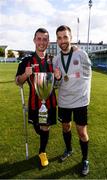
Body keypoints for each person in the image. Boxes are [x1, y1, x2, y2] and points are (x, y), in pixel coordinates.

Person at [53, 25, 92, 176]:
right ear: (57, 40)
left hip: (80, 101)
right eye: (59, 37)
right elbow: (56, 85)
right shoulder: (56, 60)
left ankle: (85, 159)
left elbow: (89, 72)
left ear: (70, 38)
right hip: (64, 101)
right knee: (65, 127)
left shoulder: (80, 54)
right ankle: (68, 149)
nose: (62, 40)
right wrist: (57, 78)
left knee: (82, 132)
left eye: (65, 37)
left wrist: (78, 50)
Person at [15, 28, 57, 167]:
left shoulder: (53, 60)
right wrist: (25, 75)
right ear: (34, 40)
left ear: (48, 42)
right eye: (39, 39)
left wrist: (58, 76)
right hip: (34, 103)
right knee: (38, 127)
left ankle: (42, 152)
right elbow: (18, 82)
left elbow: (58, 80)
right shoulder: (26, 61)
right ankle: (41, 133)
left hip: (50, 102)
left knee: (45, 126)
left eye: (44, 39)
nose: (41, 42)